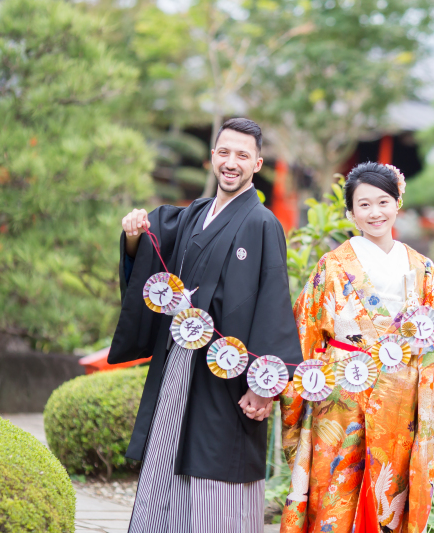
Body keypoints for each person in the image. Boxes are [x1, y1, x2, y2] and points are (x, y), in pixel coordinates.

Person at [109, 118, 303, 533]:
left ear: (257, 163)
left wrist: (263, 385)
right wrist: (132, 236)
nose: (231, 163)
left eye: (242, 156)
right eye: (224, 153)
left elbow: (273, 303)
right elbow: (150, 248)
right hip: (179, 362)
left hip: (229, 375)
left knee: (219, 468)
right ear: (212, 157)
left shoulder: (262, 223)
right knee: (167, 459)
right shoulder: (195, 213)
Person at [279, 162, 434, 533]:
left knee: (389, 488)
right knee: (334, 484)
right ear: (350, 212)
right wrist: (300, 384)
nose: (375, 212)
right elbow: (305, 330)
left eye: (383, 202)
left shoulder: (421, 265)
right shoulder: (331, 266)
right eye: (363, 205)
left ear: (398, 204)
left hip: (398, 394)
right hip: (340, 391)